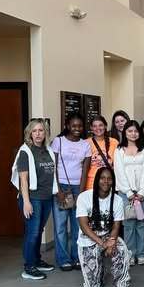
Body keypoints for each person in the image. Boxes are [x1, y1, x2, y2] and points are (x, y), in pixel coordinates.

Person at [11, 118, 58, 280]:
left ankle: (37, 261)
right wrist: (26, 202)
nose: (38, 134)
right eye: (35, 131)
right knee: (32, 233)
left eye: (41, 130)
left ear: (45, 133)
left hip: (46, 197)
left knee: (38, 231)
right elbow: (23, 179)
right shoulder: (25, 151)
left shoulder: (47, 150)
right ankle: (29, 267)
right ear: (29, 133)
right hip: (33, 198)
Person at [76, 167, 132, 287]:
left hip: (108, 237)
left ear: (113, 181)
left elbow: (116, 226)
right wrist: (102, 243)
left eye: (109, 179)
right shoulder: (84, 197)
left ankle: (122, 284)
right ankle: (99, 269)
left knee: (122, 249)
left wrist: (111, 242)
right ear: (96, 180)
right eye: (102, 178)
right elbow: (84, 226)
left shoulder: (117, 200)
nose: (106, 181)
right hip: (88, 240)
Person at [51, 112, 91, 271]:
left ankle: (76, 257)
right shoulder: (58, 142)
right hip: (61, 186)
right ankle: (63, 259)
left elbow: (85, 170)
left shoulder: (85, 145)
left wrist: (80, 193)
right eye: (74, 125)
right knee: (60, 226)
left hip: (77, 188)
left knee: (78, 226)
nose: (77, 128)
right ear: (67, 126)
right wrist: (58, 190)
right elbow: (52, 167)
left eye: (80, 126)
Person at [114, 120, 144, 265]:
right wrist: (129, 192)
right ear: (125, 132)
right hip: (126, 194)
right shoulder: (119, 150)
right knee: (129, 224)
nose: (133, 134)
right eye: (130, 131)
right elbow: (119, 172)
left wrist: (142, 191)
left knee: (142, 223)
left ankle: (142, 253)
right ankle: (130, 253)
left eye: (136, 131)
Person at [85, 115, 118, 190]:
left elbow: (117, 165)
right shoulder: (86, 143)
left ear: (105, 126)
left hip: (108, 182)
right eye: (95, 126)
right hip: (91, 182)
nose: (98, 128)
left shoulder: (114, 142)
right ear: (91, 128)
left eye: (100, 125)